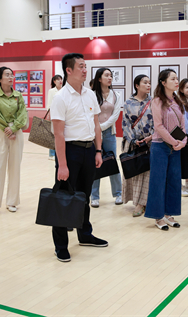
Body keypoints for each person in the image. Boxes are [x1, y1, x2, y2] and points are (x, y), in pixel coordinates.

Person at [50, 53, 107, 262]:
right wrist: (62, 165)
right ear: (69, 70)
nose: (85, 70)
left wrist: (98, 150)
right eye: (81, 66)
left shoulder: (90, 94)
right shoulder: (60, 98)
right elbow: (58, 134)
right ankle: (60, 246)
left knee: (84, 196)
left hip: (89, 150)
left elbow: (96, 125)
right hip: (69, 151)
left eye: (85, 66)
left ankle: (85, 234)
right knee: (63, 197)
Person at [145, 69, 187, 230]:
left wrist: (183, 141)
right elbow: (158, 126)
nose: (176, 81)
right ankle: (158, 216)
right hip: (160, 146)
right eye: (173, 79)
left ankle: (169, 213)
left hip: (176, 146)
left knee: (174, 181)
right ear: (163, 82)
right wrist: (173, 141)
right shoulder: (157, 101)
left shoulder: (178, 101)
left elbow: (183, 125)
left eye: (177, 78)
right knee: (158, 181)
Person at [0, 66, 28, 217]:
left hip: (17, 132)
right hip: (1, 132)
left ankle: (12, 202)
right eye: (7, 75)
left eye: (12, 75)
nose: (10, 77)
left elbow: (22, 114)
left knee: (15, 168)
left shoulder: (18, 95)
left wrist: (14, 128)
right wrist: (7, 130)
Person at [122, 74, 154, 217]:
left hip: (150, 143)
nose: (148, 85)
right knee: (136, 173)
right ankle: (138, 203)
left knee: (148, 174)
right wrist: (133, 140)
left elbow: (156, 122)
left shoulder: (153, 102)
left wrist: (151, 136)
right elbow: (126, 123)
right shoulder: (128, 103)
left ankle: (144, 203)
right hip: (133, 143)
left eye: (149, 83)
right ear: (137, 85)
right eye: (145, 82)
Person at [91, 68, 123, 207]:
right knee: (95, 163)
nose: (110, 78)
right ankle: (94, 196)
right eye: (107, 75)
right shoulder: (92, 95)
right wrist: (96, 130)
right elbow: (90, 114)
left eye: (111, 76)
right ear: (99, 79)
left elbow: (115, 116)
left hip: (109, 132)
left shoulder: (116, 95)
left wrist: (101, 128)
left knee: (112, 162)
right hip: (93, 134)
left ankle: (118, 193)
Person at [47, 74, 63, 160]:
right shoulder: (52, 91)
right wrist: (50, 116)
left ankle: (59, 153)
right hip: (54, 116)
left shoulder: (64, 90)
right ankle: (52, 154)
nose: (60, 81)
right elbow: (49, 105)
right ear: (54, 81)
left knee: (61, 135)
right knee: (53, 135)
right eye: (58, 79)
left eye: (61, 79)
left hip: (63, 116)